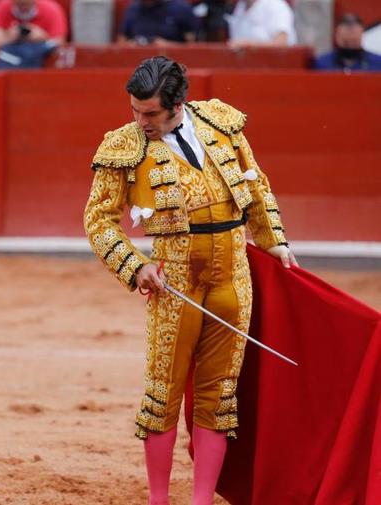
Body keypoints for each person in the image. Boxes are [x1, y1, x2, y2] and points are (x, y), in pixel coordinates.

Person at [83, 56, 297, 505]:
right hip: (174, 278)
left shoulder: (221, 123)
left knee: (218, 395)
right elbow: (99, 220)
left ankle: (201, 501)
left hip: (232, 276)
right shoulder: (123, 145)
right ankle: (159, 501)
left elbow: (256, 186)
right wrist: (134, 263)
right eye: (135, 111)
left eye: (150, 114)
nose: (140, 122)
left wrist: (273, 239)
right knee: (163, 391)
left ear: (178, 104)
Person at [314, 13, 381, 72]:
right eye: (346, 42)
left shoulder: (378, 63)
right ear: (336, 36)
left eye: (354, 41)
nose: (350, 45)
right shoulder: (322, 64)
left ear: (361, 35)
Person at [117, 0, 199, 45]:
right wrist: (132, 45)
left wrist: (167, 46)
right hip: (137, 64)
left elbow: (193, 47)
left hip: (172, 65)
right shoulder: (133, 9)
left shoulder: (181, 8)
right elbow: (121, 42)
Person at [0, 0, 67, 47]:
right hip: (11, 61)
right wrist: (9, 37)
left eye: (26, 4)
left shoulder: (51, 9)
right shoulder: (2, 7)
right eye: (20, 4)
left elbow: (60, 44)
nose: (23, 7)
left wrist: (43, 38)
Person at [228, 0, 296, 48]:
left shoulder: (276, 5)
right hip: (246, 66)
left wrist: (249, 46)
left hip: (275, 65)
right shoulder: (239, 7)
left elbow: (282, 43)